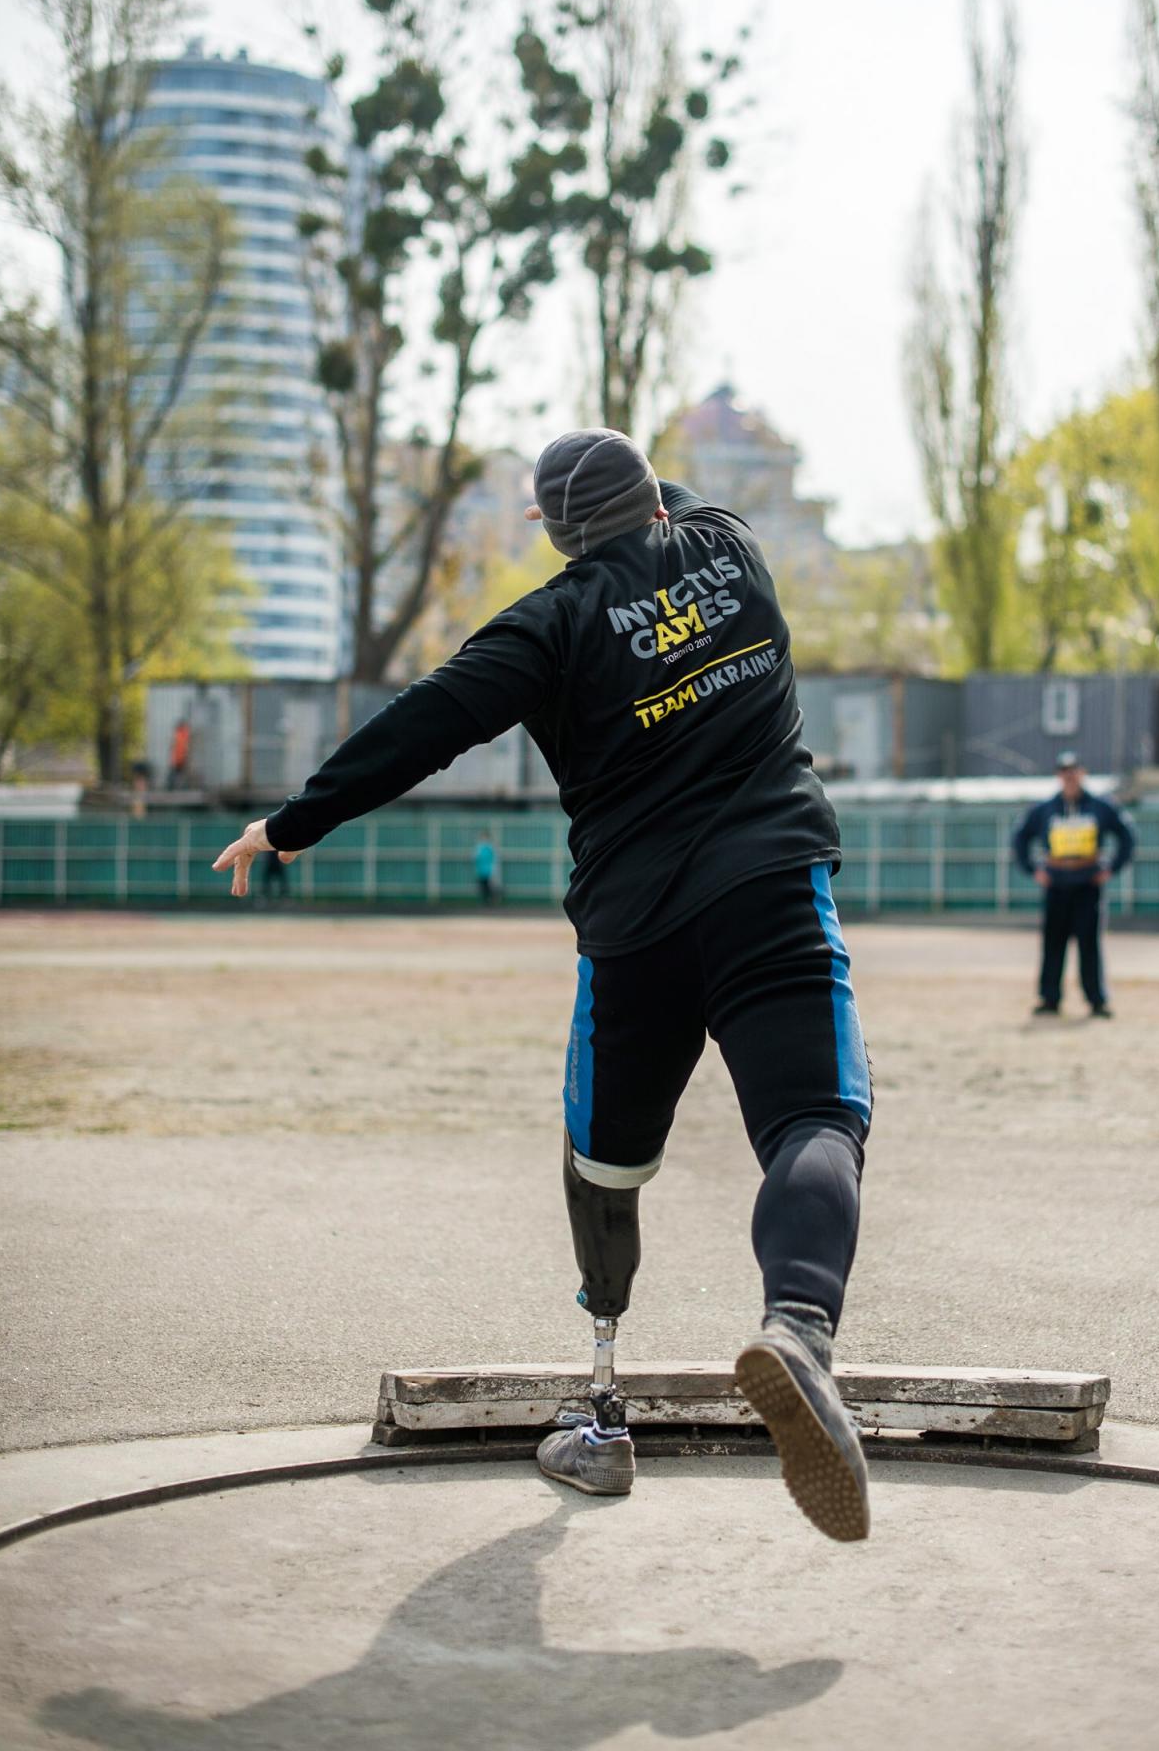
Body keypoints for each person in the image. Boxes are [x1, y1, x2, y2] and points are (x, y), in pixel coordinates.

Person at [213, 430, 874, 1543]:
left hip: (636, 936)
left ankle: (602, 1404)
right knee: (814, 1119)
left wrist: (291, 822)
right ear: (659, 502)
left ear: (556, 534)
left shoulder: (549, 621)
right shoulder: (735, 549)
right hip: (769, 886)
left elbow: (426, 724)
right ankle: (799, 1330)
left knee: (604, 1162)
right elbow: (666, 508)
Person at [1012, 751, 1135, 1019]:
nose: (1069, 777)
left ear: (1082, 773)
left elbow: (1127, 836)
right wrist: (1034, 869)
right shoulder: (1044, 809)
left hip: (1087, 885)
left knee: (1089, 945)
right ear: (1058, 776)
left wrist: (1111, 868)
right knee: (1053, 944)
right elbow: (1020, 837)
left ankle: (1096, 1000)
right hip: (1056, 885)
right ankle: (1049, 999)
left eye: (1074, 771)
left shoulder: (1101, 807)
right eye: (1064, 772)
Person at [473, 832, 501, 907]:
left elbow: (495, 858)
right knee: (482, 886)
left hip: (489, 870)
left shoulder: (491, 847)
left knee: (490, 886)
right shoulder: (479, 848)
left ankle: (492, 900)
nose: (484, 839)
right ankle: (485, 901)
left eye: (485, 838)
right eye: (483, 838)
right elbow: (475, 858)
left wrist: (494, 869)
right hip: (481, 870)